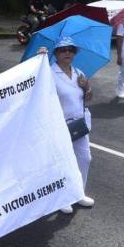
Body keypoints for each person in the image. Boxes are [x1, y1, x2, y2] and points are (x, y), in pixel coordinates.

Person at [48, 37, 95, 214]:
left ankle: (78, 193)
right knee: (62, 162)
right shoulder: (49, 74)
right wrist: (39, 59)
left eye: (71, 49)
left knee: (85, 159)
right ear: (56, 53)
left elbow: (88, 97)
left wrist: (86, 88)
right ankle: (63, 197)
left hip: (80, 123)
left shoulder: (79, 73)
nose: (67, 52)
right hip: (59, 125)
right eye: (63, 49)